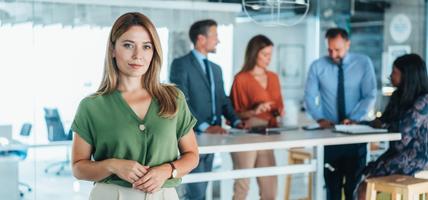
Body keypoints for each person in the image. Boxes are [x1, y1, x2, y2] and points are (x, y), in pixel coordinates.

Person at [71, 12, 199, 200]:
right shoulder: (91, 106)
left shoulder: (173, 98)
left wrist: (168, 170)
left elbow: (192, 155)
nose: (138, 55)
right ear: (113, 50)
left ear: (154, 52)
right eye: (128, 45)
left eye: (146, 47)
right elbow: (78, 168)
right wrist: (112, 165)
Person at [169, 19, 243, 200]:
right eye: (215, 36)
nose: (218, 41)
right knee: (195, 191)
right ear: (201, 39)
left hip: (214, 137)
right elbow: (181, 101)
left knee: (202, 186)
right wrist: (203, 126)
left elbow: (222, 99)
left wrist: (236, 121)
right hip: (192, 135)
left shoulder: (216, 69)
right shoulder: (181, 64)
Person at [304, 27, 377, 200]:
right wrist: (320, 118)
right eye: (329, 49)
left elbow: (370, 95)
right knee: (332, 188)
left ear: (347, 44)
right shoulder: (318, 66)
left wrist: (354, 119)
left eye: (337, 49)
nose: (333, 54)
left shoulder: (363, 63)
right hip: (329, 136)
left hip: (355, 135)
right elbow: (309, 97)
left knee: (353, 187)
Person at [356, 54, 428, 199]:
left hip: (418, 157)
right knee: (361, 177)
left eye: (395, 72)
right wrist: (358, 123)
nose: (391, 76)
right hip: (397, 153)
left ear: (408, 76)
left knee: (366, 185)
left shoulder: (424, 100)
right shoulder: (398, 96)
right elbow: (385, 121)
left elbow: (404, 132)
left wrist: (384, 123)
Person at [229, 34, 284, 200]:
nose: (269, 59)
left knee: (270, 190)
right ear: (254, 53)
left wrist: (278, 113)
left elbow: (279, 106)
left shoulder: (273, 77)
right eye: (265, 54)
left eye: (270, 54)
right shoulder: (241, 79)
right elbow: (234, 114)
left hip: (267, 134)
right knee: (242, 188)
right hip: (246, 136)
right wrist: (255, 110)